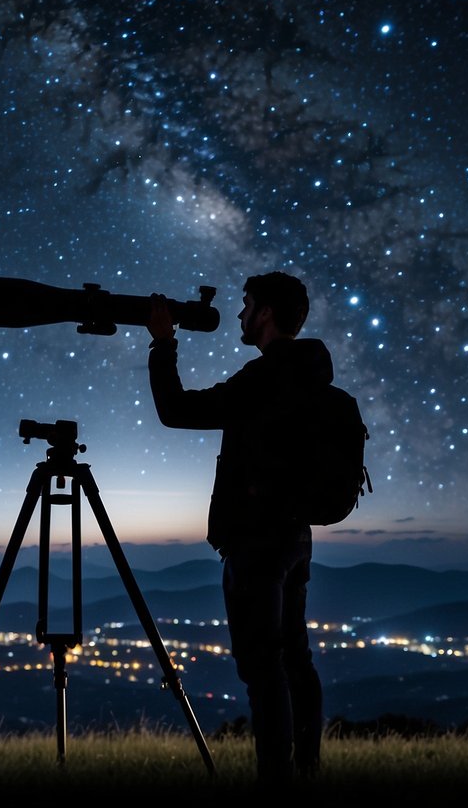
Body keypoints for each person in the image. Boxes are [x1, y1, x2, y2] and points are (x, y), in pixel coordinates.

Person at [145, 271, 327, 785]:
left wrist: (163, 343)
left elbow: (176, 410)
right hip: (296, 537)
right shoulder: (311, 374)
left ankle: (276, 779)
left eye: (247, 306)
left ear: (266, 312)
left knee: (262, 668)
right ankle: (306, 770)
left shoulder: (266, 375)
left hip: (256, 541)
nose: (241, 316)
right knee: (295, 660)